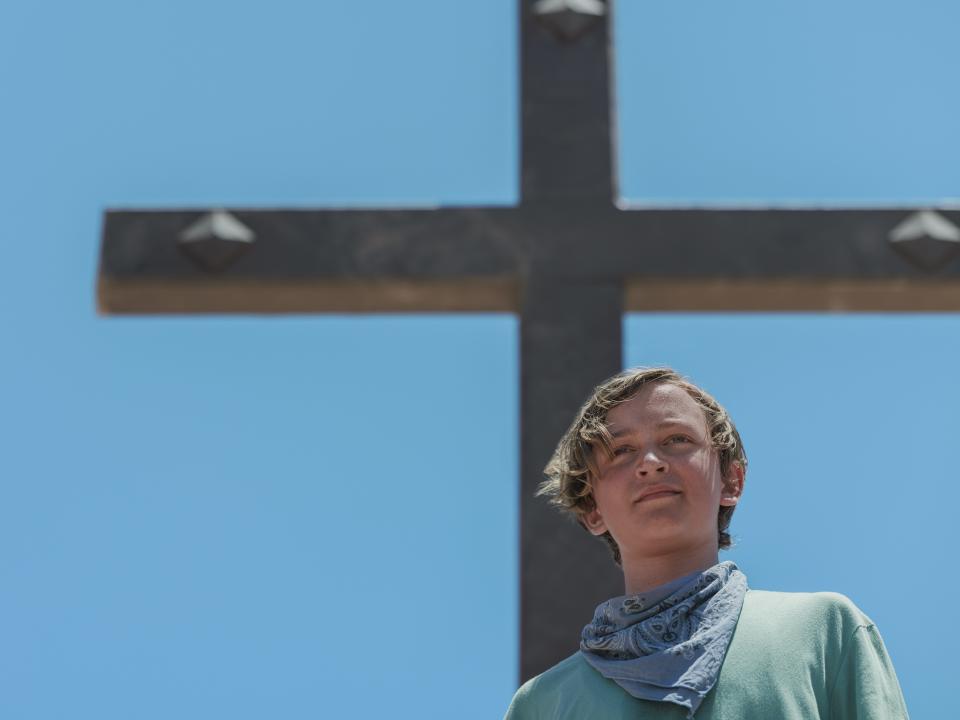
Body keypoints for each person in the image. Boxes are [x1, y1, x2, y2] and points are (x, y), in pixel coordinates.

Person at [504, 367, 908, 719]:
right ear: (592, 509)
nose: (650, 462)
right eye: (622, 450)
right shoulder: (543, 704)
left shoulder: (823, 632)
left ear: (732, 481)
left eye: (677, 440)